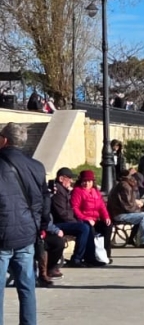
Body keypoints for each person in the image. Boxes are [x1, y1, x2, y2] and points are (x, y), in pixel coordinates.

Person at [0, 122, 50, 324]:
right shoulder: (36, 166)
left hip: (2, 235)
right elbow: (45, 201)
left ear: (4, 139)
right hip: (27, 233)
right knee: (27, 287)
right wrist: (41, 227)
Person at [50, 167, 93, 267]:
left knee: (87, 225)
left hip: (66, 221)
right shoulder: (58, 192)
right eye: (69, 178)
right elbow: (62, 213)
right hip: (58, 223)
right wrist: (76, 222)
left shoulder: (63, 190)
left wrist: (79, 220)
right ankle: (76, 259)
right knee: (83, 228)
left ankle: (89, 257)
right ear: (61, 179)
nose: (71, 181)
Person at [71, 170, 113, 264]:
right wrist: (86, 218)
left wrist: (106, 217)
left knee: (107, 227)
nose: (87, 184)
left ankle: (105, 254)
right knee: (90, 229)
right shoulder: (78, 191)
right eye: (84, 181)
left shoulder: (95, 191)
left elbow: (102, 206)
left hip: (95, 219)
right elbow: (75, 208)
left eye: (89, 181)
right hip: (83, 219)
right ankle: (91, 256)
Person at [107, 170, 144, 248]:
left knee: (143, 215)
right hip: (119, 214)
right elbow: (127, 206)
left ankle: (132, 238)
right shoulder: (125, 186)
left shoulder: (124, 185)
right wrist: (140, 208)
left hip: (120, 212)